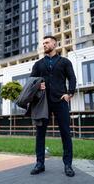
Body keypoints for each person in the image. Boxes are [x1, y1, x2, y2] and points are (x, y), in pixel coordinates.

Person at [30, 36, 76, 177]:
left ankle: (68, 165)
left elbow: (72, 78)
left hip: (60, 101)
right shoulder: (38, 64)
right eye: (43, 43)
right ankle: (40, 164)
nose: (44, 45)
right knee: (40, 134)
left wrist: (70, 93)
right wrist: (38, 85)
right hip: (43, 103)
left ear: (54, 44)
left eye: (47, 42)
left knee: (65, 133)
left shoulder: (64, 62)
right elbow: (31, 81)